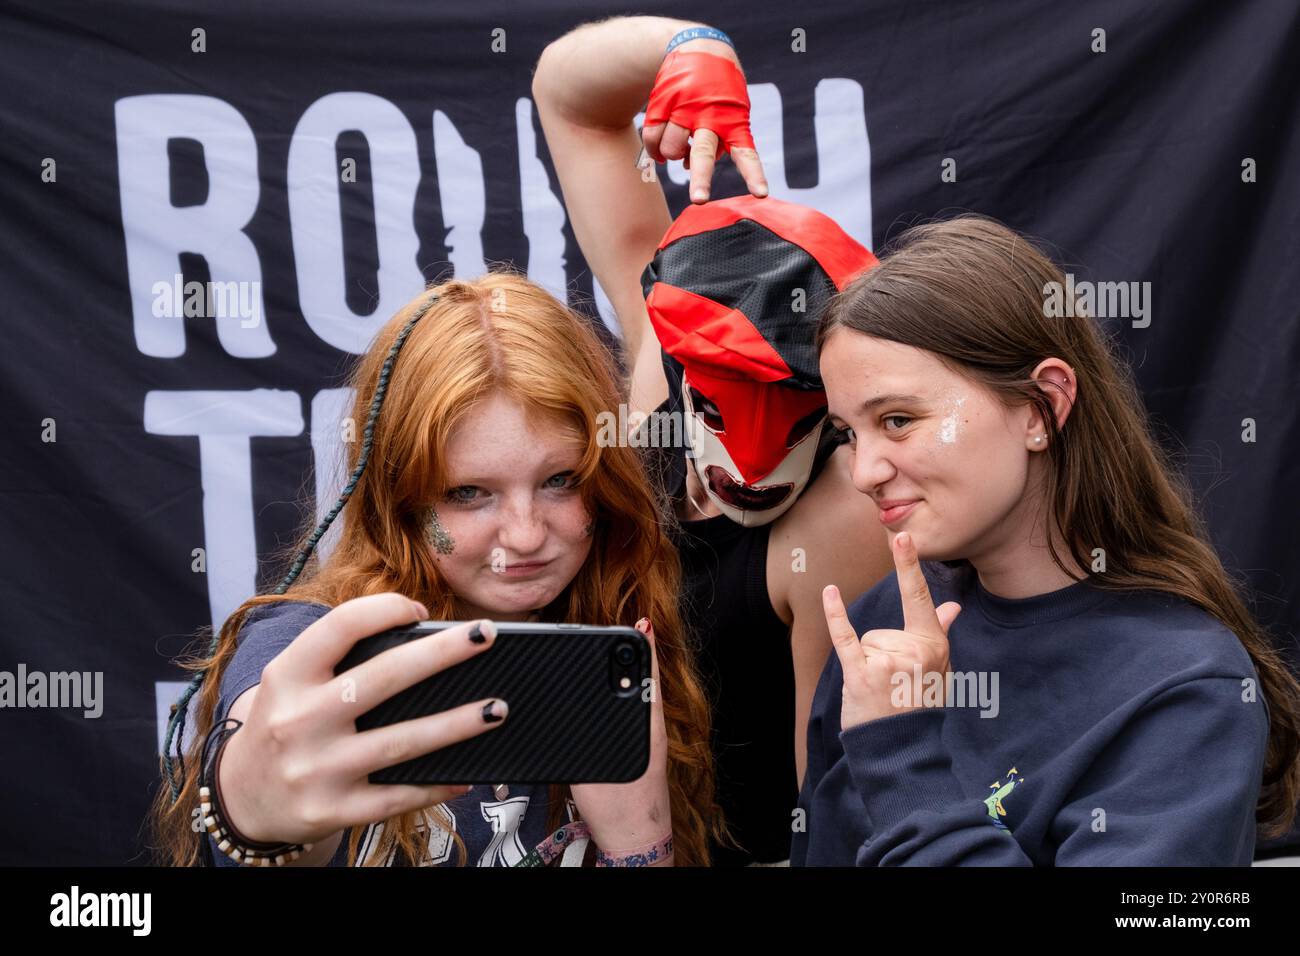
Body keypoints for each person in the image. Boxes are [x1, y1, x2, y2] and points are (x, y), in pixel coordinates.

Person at [149, 271, 723, 867]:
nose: (524, 535)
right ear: (398, 503)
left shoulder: (631, 628)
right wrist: (255, 810)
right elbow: (271, 715)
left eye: (561, 481)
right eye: (469, 492)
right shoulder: (314, 642)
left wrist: (639, 843)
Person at [793, 214, 1300, 865]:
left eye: (898, 419)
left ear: (1042, 407)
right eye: (849, 432)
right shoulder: (882, 623)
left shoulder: (1186, 689)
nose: (864, 472)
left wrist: (901, 753)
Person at [533, 15, 894, 865]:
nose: (759, 461)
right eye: (733, 405)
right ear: (691, 373)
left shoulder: (842, 515)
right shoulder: (665, 364)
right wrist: (688, 44)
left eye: (798, 407)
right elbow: (569, 99)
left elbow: (830, 824)